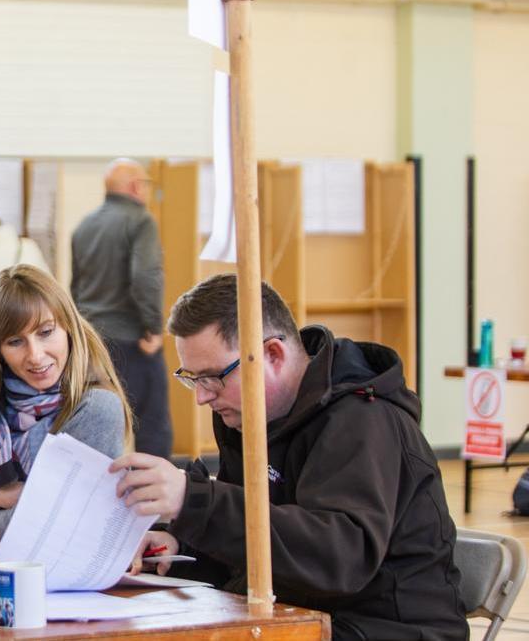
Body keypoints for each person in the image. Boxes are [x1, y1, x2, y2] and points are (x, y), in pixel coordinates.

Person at [112, 274, 467, 640]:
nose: (203, 397)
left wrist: (194, 501)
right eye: (193, 379)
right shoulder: (245, 417)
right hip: (299, 616)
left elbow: (337, 560)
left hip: (385, 628)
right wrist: (183, 544)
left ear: (273, 354)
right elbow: (256, 541)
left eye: (213, 377)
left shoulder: (363, 420)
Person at [0, 264, 132, 541]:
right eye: (15, 341)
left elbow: (47, 522)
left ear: (68, 328)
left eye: (46, 332)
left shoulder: (96, 406)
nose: (35, 355)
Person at [70, 157, 171, 459]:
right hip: (132, 340)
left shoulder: (84, 226)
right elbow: (145, 277)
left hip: (92, 342)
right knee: (151, 429)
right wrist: (153, 328)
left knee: (96, 426)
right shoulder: (141, 221)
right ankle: (153, 503)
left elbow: (75, 286)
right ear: (136, 186)